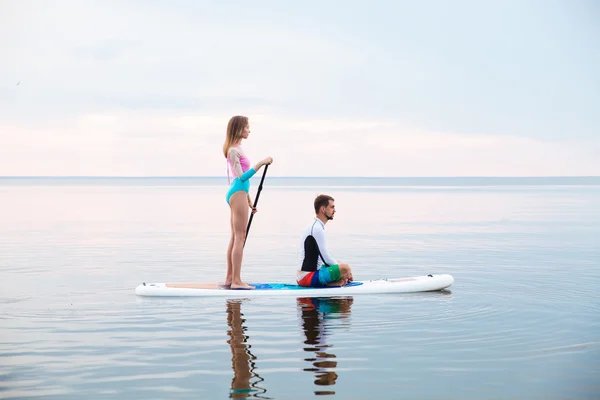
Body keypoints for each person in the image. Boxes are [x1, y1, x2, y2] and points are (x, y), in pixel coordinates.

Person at [222, 115, 273, 290]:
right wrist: (262, 163)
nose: (249, 130)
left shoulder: (237, 148)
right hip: (237, 192)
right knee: (240, 237)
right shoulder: (233, 151)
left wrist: (249, 200)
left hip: (238, 192)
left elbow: (240, 180)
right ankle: (236, 281)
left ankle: (230, 278)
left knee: (235, 237)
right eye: (247, 127)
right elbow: (242, 176)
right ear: (239, 129)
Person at [296, 194, 353, 287]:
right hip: (306, 277)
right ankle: (336, 283)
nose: (334, 210)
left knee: (340, 263)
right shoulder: (316, 228)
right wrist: (346, 272)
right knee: (346, 268)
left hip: (308, 274)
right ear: (323, 209)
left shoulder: (316, 226)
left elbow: (323, 260)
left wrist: (340, 268)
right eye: (332, 207)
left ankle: (336, 282)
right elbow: (326, 259)